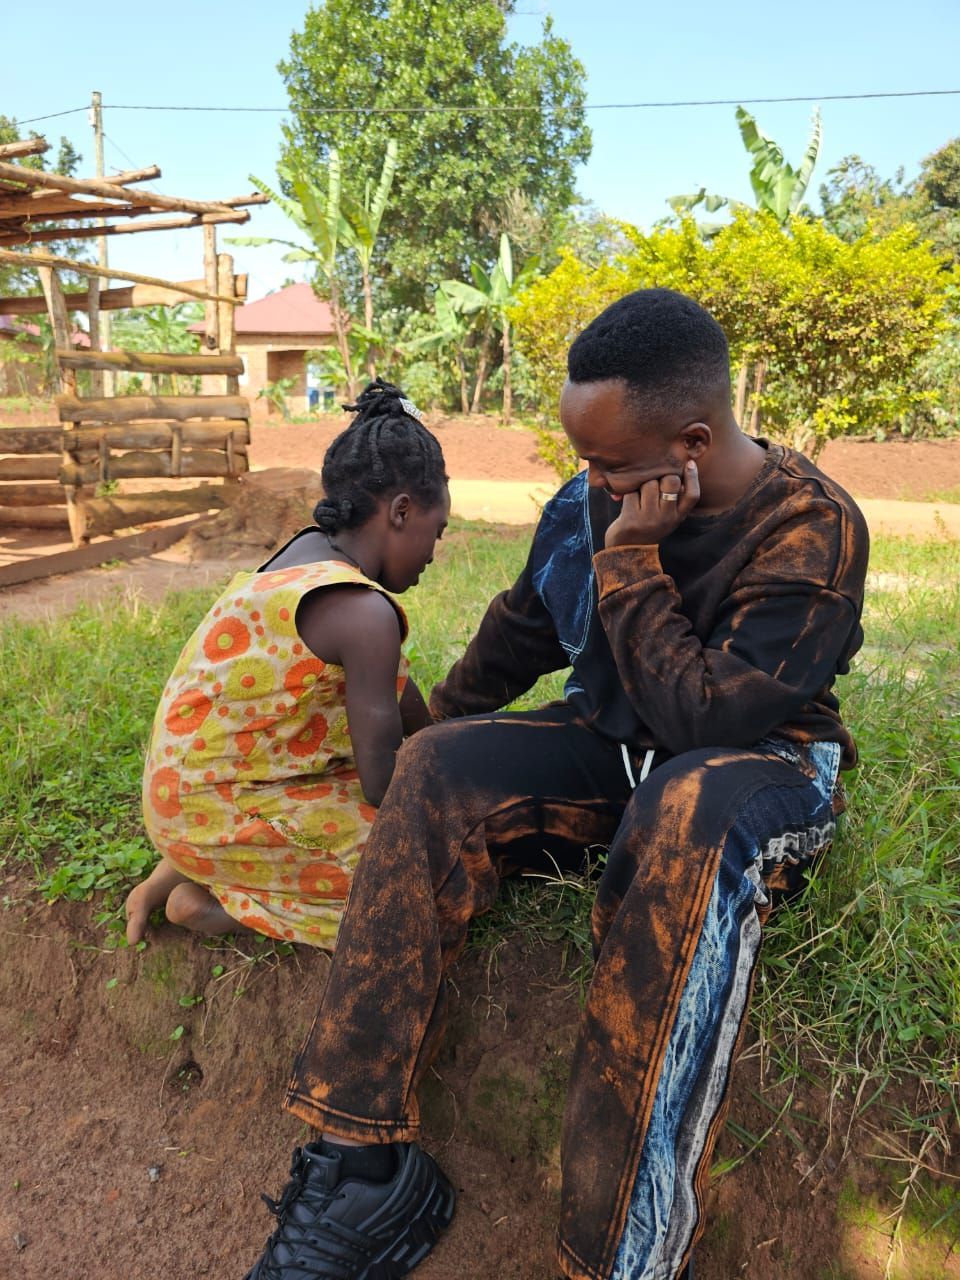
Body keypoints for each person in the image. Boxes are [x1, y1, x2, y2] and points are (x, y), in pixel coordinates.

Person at [241, 290, 869, 1280]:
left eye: (610, 463)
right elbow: (519, 635)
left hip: (757, 769)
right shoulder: (593, 502)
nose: (589, 483)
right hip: (616, 752)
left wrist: (630, 560)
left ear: (694, 441)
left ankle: (621, 1255)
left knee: (687, 806)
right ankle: (357, 1168)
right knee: (437, 761)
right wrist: (429, 756)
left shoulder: (810, 527)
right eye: (583, 459)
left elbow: (703, 718)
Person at [125, 380, 450, 950]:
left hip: (185, 796)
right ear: (401, 512)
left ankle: (190, 869)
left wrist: (447, 739)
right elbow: (382, 787)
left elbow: (402, 698)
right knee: (427, 873)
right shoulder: (364, 611)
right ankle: (217, 902)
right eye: (437, 532)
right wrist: (464, 803)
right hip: (214, 813)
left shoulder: (303, 554)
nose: (433, 553)